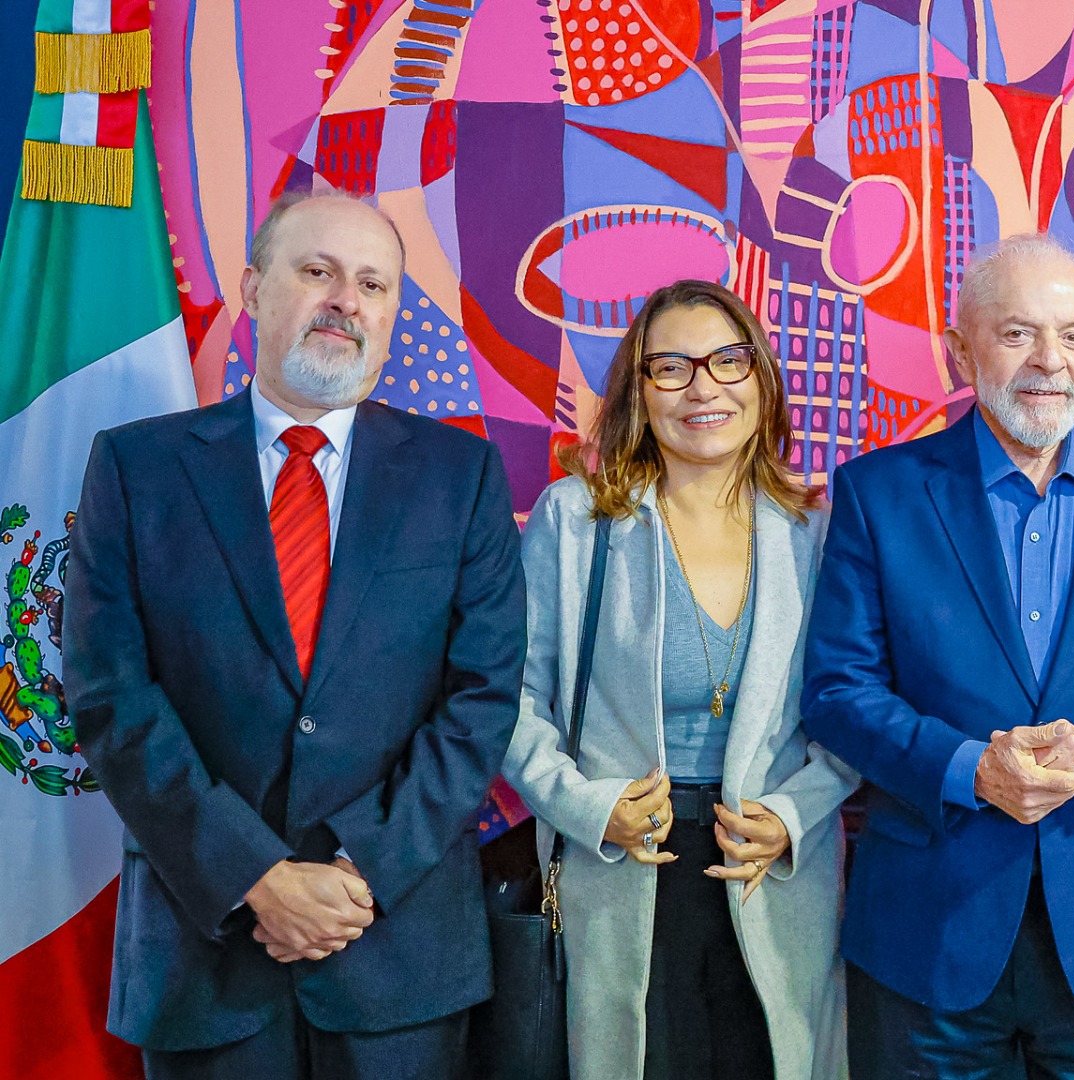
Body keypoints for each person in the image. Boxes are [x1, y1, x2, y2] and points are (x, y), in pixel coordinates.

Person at [65, 189, 527, 1079]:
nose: (345, 301)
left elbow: (483, 698)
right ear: (252, 288)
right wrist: (255, 876)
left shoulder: (460, 476)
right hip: (206, 957)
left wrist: (360, 873)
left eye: (373, 284)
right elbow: (109, 696)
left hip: (397, 957)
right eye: (317, 271)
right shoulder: (137, 467)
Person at [802, 232, 1074, 1080]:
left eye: (1072, 335)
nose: (1050, 360)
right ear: (960, 351)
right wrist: (969, 769)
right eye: (1017, 333)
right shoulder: (878, 493)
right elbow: (838, 690)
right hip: (929, 929)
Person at [504, 279, 859, 1080]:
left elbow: (858, 704)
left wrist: (794, 817)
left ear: (763, 378)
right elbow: (513, 699)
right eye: (672, 367)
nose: (704, 388)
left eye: (728, 361)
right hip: (621, 870)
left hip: (772, 875)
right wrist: (588, 808)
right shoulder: (576, 521)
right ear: (639, 391)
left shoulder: (816, 531)